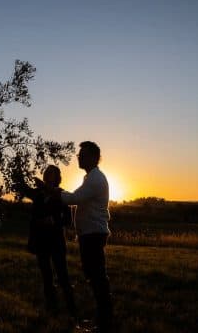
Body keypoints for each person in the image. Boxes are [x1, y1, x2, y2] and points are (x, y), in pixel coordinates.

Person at [57, 141, 113, 332]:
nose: (79, 157)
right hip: (90, 233)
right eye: (79, 154)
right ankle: (102, 319)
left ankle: (104, 322)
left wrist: (54, 191)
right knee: (95, 276)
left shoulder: (95, 179)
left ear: (94, 157)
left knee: (97, 277)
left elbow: (73, 199)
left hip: (93, 234)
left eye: (83, 154)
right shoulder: (91, 177)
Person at [18, 165, 76, 316]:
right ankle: (52, 308)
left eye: (53, 173)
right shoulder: (38, 194)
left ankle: (72, 310)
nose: (49, 175)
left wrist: (54, 221)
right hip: (41, 240)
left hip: (56, 241)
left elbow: (68, 220)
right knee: (46, 276)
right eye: (47, 173)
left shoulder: (61, 194)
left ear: (57, 177)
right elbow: (23, 190)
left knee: (63, 276)